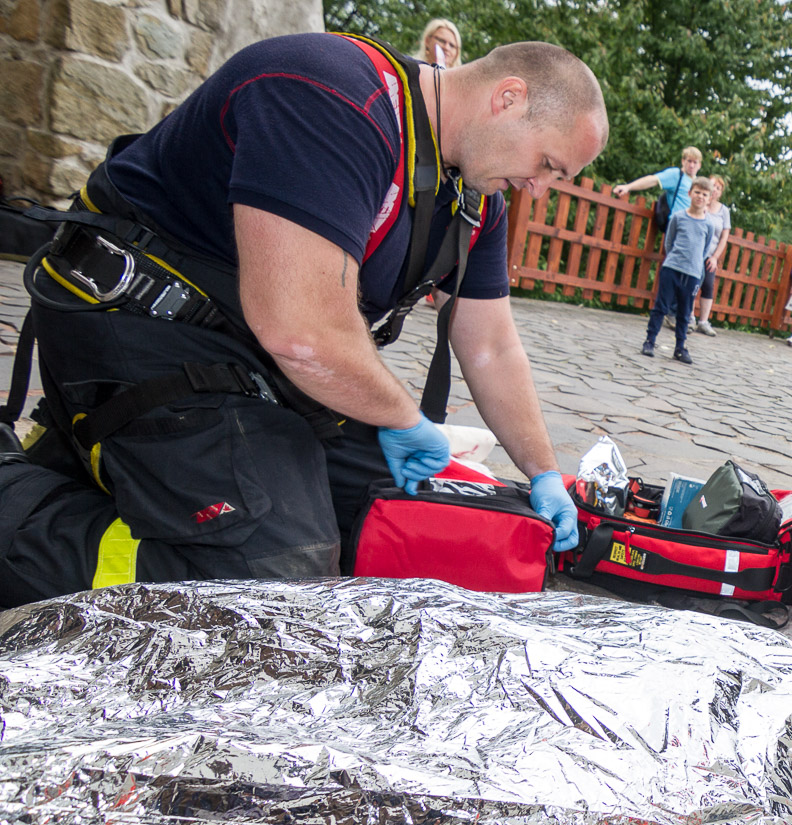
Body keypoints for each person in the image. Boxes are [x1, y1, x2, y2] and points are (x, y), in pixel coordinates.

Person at [0, 33, 607, 607]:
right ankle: (17, 505)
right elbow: (301, 330)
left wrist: (543, 472)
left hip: (254, 364)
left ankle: (106, 476)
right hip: (140, 326)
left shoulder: (474, 201)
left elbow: (491, 346)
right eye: (548, 164)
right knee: (270, 575)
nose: (538, 189)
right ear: (508, 98)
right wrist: (402, 417)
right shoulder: (333, 97)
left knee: (390, 520)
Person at [640, 176, 718, 365]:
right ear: (690, 193)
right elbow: (669, 242)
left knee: (685, 312)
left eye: (704, 194)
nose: (700, 196)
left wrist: (695, 264)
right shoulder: (678, 217)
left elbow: (705, 249)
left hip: (692, 274)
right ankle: (650, 341)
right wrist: (676, 259)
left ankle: (680, 348)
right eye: (697, 192)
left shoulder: (709, 224)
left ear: (709, 199)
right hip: (672, 269)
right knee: (661, 306)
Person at [690, 174, 732, 337]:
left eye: (718, 188)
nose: (715, 190)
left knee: (708, 285)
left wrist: (715, 257)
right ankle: (689, 317)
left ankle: (703, 322)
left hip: (710, 255)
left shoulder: (724, 211)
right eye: (713, 185)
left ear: (721, 192)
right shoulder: (700, 204)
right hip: (695, 252)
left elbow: (724, 237)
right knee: (692, 284)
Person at [609, 146, 701, 219]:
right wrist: (628, 187)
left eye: (695, 162)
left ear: (699, 165)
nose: (692, 165)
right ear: (683, 161)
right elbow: (652, 180)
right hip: (678, 226)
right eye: (689, 161)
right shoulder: (676, 175)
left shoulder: (699, 183)